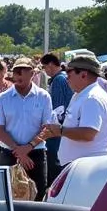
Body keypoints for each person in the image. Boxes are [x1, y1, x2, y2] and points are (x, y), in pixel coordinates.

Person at [0, 57, 56, 200]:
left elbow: (47, 128)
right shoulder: (4, 97)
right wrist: (18, 150)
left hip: (36, 153)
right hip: (9, 153)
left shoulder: (43, 97)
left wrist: (29, 147)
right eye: (16, 71)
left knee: (37, 196)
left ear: (32, 73)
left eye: (22, 71)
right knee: (6, 197)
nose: (18, 74)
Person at [43, 56, 107, 165]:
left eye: (69, 73)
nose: (66, 78)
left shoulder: (92, 98)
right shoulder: (81, 95)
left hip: (88, 167)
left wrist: (60, 131)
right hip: (81, 166)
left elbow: (88, 133)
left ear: (83, 74)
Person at [39, 52, 71, 181]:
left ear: (51, 65)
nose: (45, 71)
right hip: (63, 126)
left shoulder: (58, 80)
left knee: (54, 159)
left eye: (45, 67)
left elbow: (57, 107)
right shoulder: (63, 78)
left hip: (58, 126)